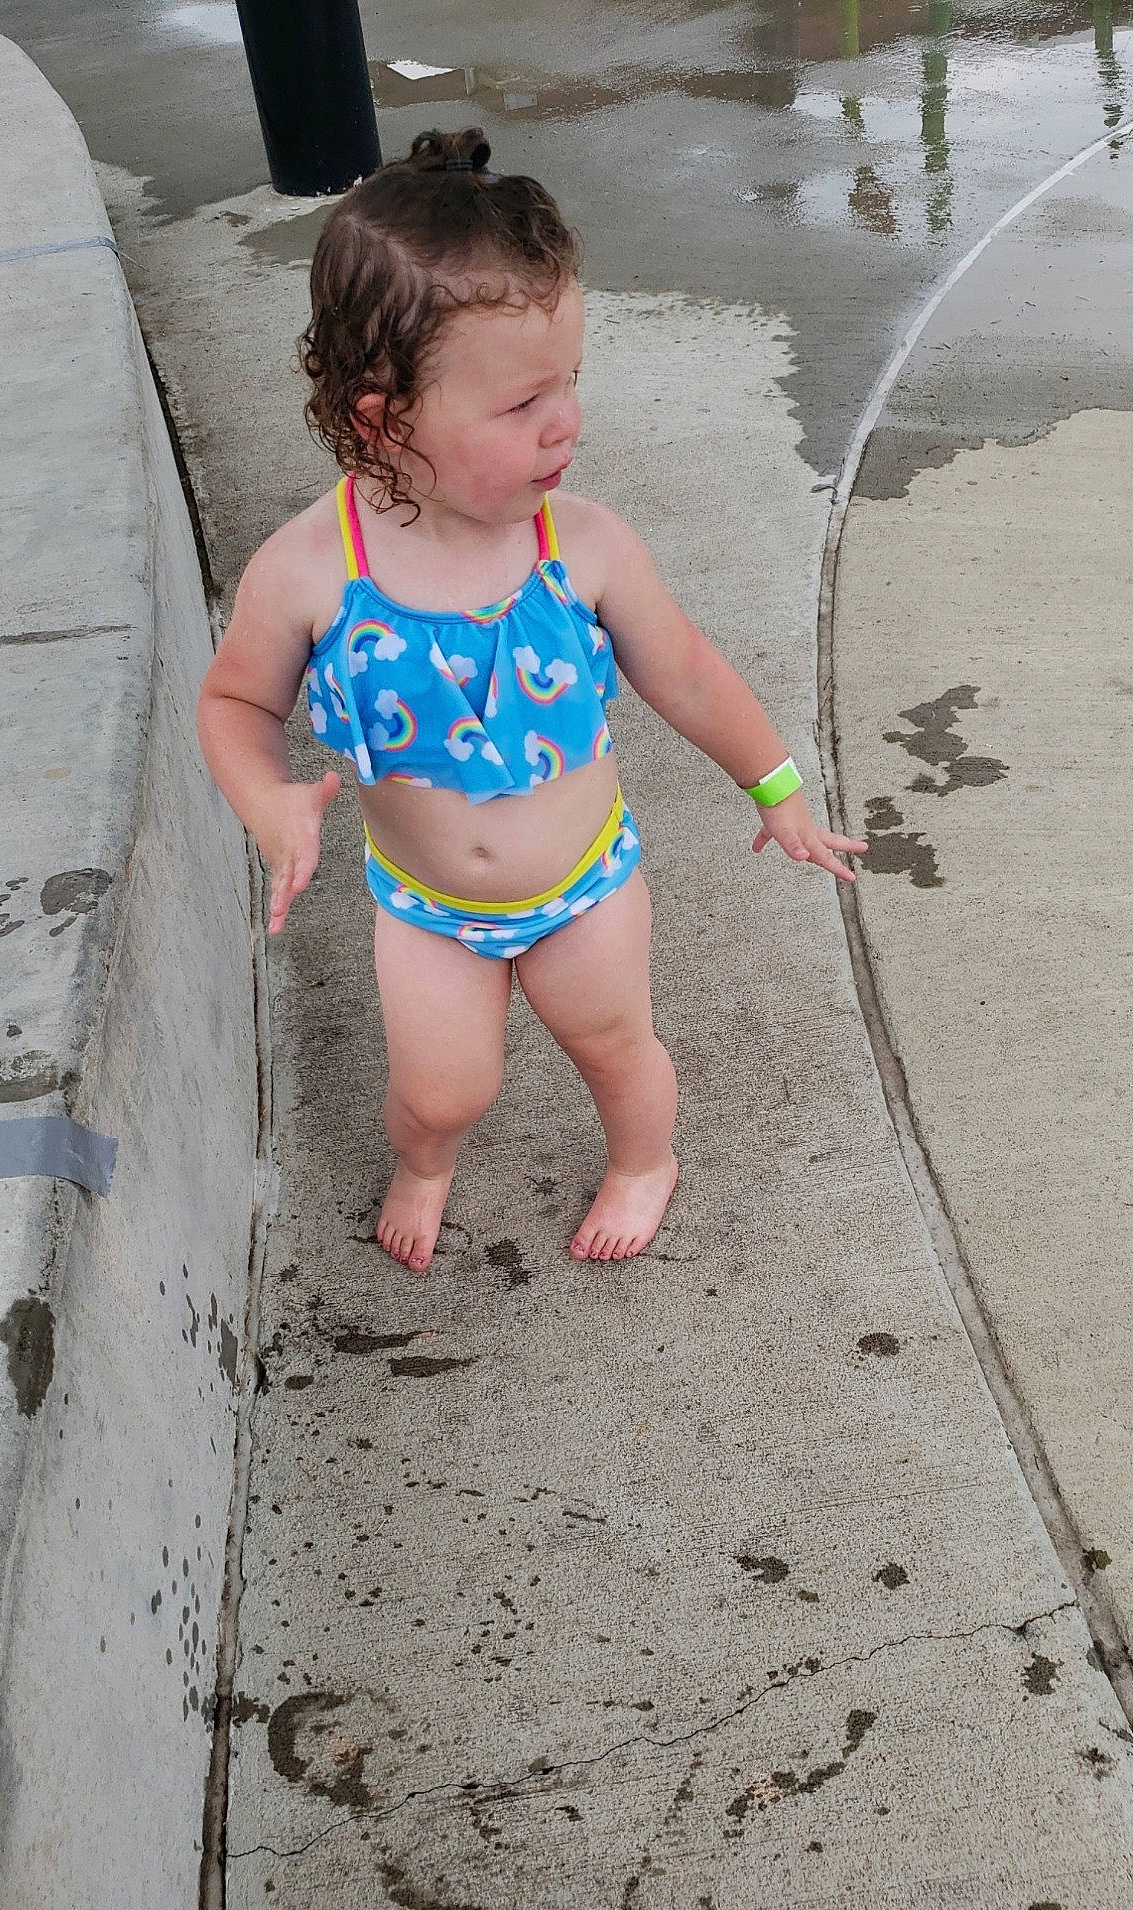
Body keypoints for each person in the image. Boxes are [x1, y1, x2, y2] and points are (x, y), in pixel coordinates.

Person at [197, 127, 867, 1275]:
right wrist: (266, 798)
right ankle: (424, 1163)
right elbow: (234, 703)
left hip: (585, 884)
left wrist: (779, 788)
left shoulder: (583, 546)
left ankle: (645, 1160)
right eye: (522, 404)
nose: (567, 422)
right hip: (428, 904)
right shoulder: (309, 571)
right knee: (439, 1090)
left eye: (572, 381)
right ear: (382, 419)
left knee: (614, 1043)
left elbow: (687, 669)